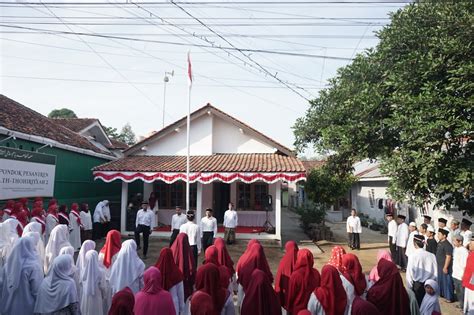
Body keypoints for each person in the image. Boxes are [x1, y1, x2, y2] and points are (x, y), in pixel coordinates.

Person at [0, 236, 44, 315]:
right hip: (27, 308)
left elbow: (2, 285)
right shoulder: (33, 266)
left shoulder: (8, 265)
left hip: (7, 307)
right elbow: (37, 291)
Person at [237, 242, 273, 307]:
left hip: (246, 298)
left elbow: (241, 282)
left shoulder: (245, 265)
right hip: (262, 299)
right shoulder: (264, 266)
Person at [406, 234, 438, 305]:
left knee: (418, 306)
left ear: (414, 244)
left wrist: (409, 288)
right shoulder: (432, 255)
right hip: (430, 285)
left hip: (417, 286)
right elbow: (435, 272)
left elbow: (409, 273)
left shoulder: (412, 256)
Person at [287, 248, 321, 315]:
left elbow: (291, 295)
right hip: (312, 308)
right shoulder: (316, 273)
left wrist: (288, 308)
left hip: (298, 309)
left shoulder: (295, 275)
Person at [155, 247, 185, 315]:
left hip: (159, 305)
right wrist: (182, 309)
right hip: (173, 306)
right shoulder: (177, 272)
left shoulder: (156, 271)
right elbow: (180, 294)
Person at [80, 250, 107, 315]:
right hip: (96, 296)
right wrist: (104, 296)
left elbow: (80, 283)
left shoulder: (83, 271)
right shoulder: (101, 272)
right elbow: (103, 287)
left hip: (85, 297)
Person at [170, 232, 196, 301]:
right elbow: (192, 269)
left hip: (174, 287)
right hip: (186, 284)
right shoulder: (189, 252)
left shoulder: (172, 251)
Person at [275, 240, 299, 310]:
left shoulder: (283, 262)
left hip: (287, 297)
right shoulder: (301, 260)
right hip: (300, 300)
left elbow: (278, 281)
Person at [436, 227, 454, 302]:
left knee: (447, 282)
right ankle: (442, 294)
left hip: (444, 266)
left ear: (444, 236)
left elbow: (448, 257)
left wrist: (445, 267)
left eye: (439, 234)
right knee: (441, 281)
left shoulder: (447, 245)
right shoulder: (440, 242)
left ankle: (449, 297)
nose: (438, 235)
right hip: (439, 265)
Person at [452, 234, 468, 310]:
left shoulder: (464, 251)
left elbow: (465, 265)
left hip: (461, 275)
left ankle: (464, 306)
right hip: (455, 273)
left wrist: (463, 275)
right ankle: (461, 304)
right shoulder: (455, 249)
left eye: (455, 241)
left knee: (462, 292)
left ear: (460, 242)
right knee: (458, 291)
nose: (453, 243)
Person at [462, 235, 474, 315]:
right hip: (468, 280)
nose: (469, 245)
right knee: (467, 299)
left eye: (471, 244)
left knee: (471, 301)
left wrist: (472, 283)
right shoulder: (471, 253)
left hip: (472, 283)